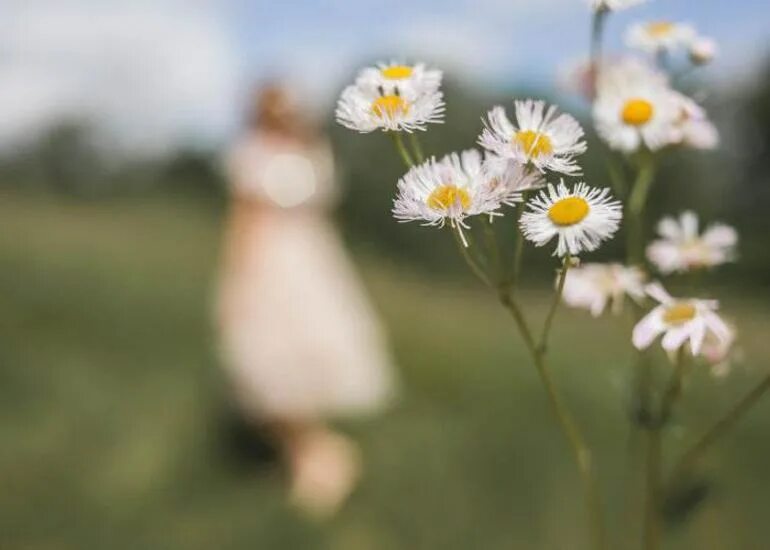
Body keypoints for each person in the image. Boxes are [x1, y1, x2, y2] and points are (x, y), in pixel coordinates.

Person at [217, 83, 395, 518]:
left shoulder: (314, 152)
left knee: (309, 359)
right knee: (265, 367)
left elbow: (322, 212)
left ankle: (315, 458)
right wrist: (235, 275)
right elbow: (245, 219)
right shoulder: (251, 153)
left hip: (312, 261)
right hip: (270, 261)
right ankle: (316, 453)